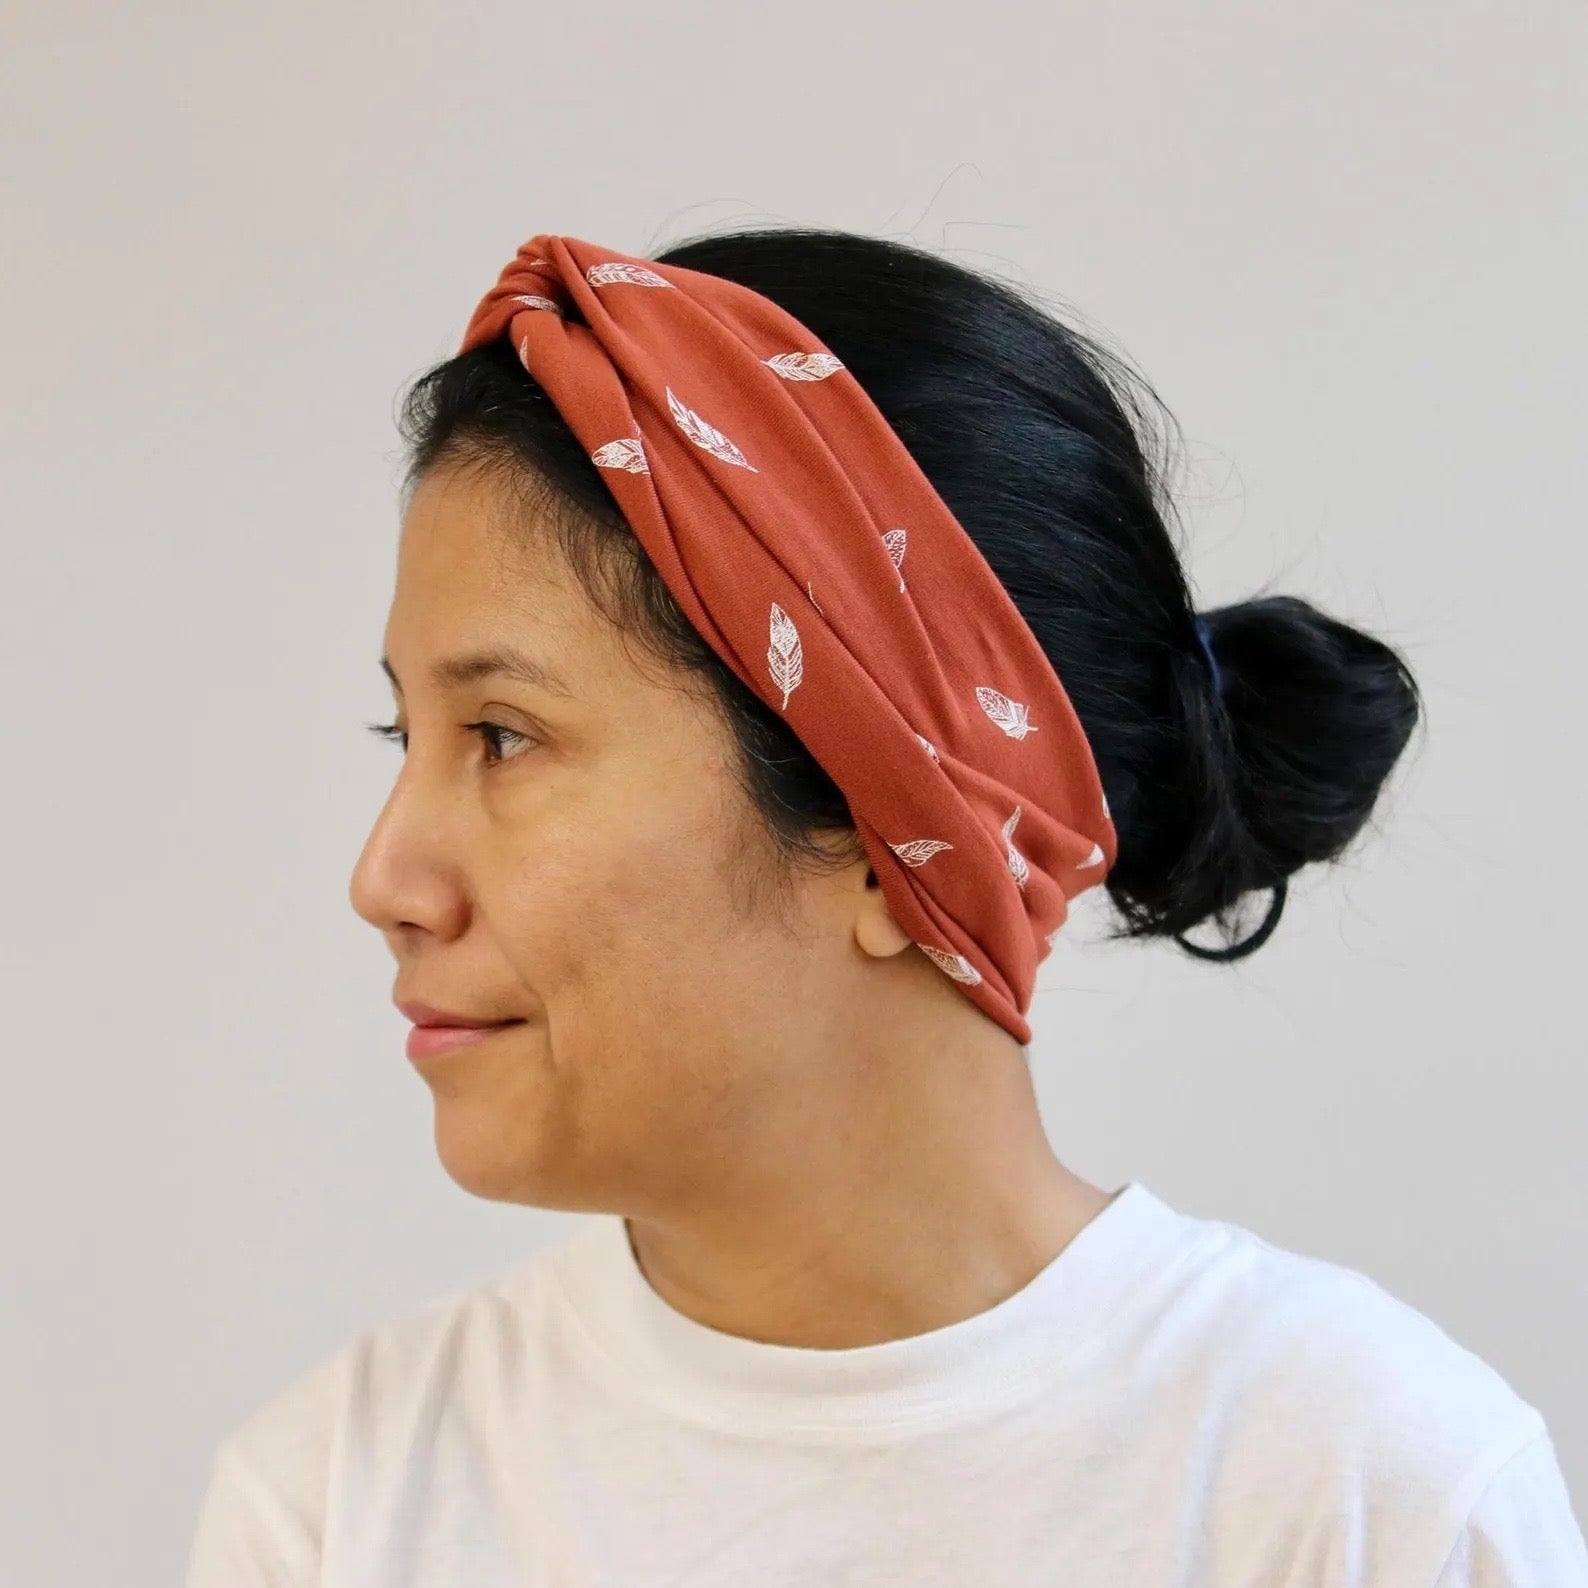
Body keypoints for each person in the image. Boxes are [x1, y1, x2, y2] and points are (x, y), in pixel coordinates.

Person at [185, 225, 1587, 1584]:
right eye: (407, 737)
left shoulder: (1362, 1500)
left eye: (502, 736)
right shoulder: (340, 1507)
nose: (384, 881)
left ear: (891, 831)